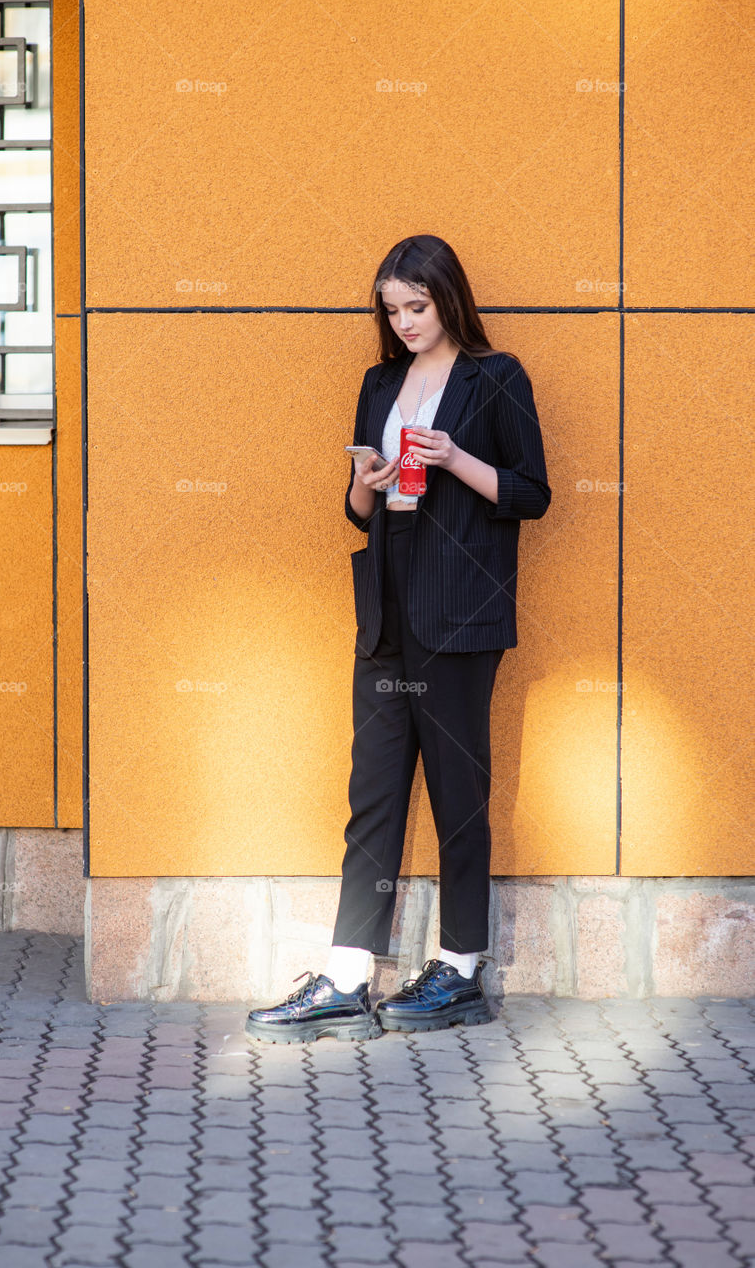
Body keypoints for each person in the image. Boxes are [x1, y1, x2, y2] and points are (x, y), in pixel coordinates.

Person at [246, 234, 551, 1044]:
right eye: (391, 309)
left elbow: (531, 494)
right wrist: (362, 481)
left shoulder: (496, 377)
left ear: (448, 300)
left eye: (416, 306)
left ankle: (460, 966)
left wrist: (453, 457)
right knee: (372, 794)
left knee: (457, 795)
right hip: (384, 601)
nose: (404, 321)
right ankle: (347, 977)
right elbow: (357, 510)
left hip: (458, 610)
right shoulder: (378, 381)